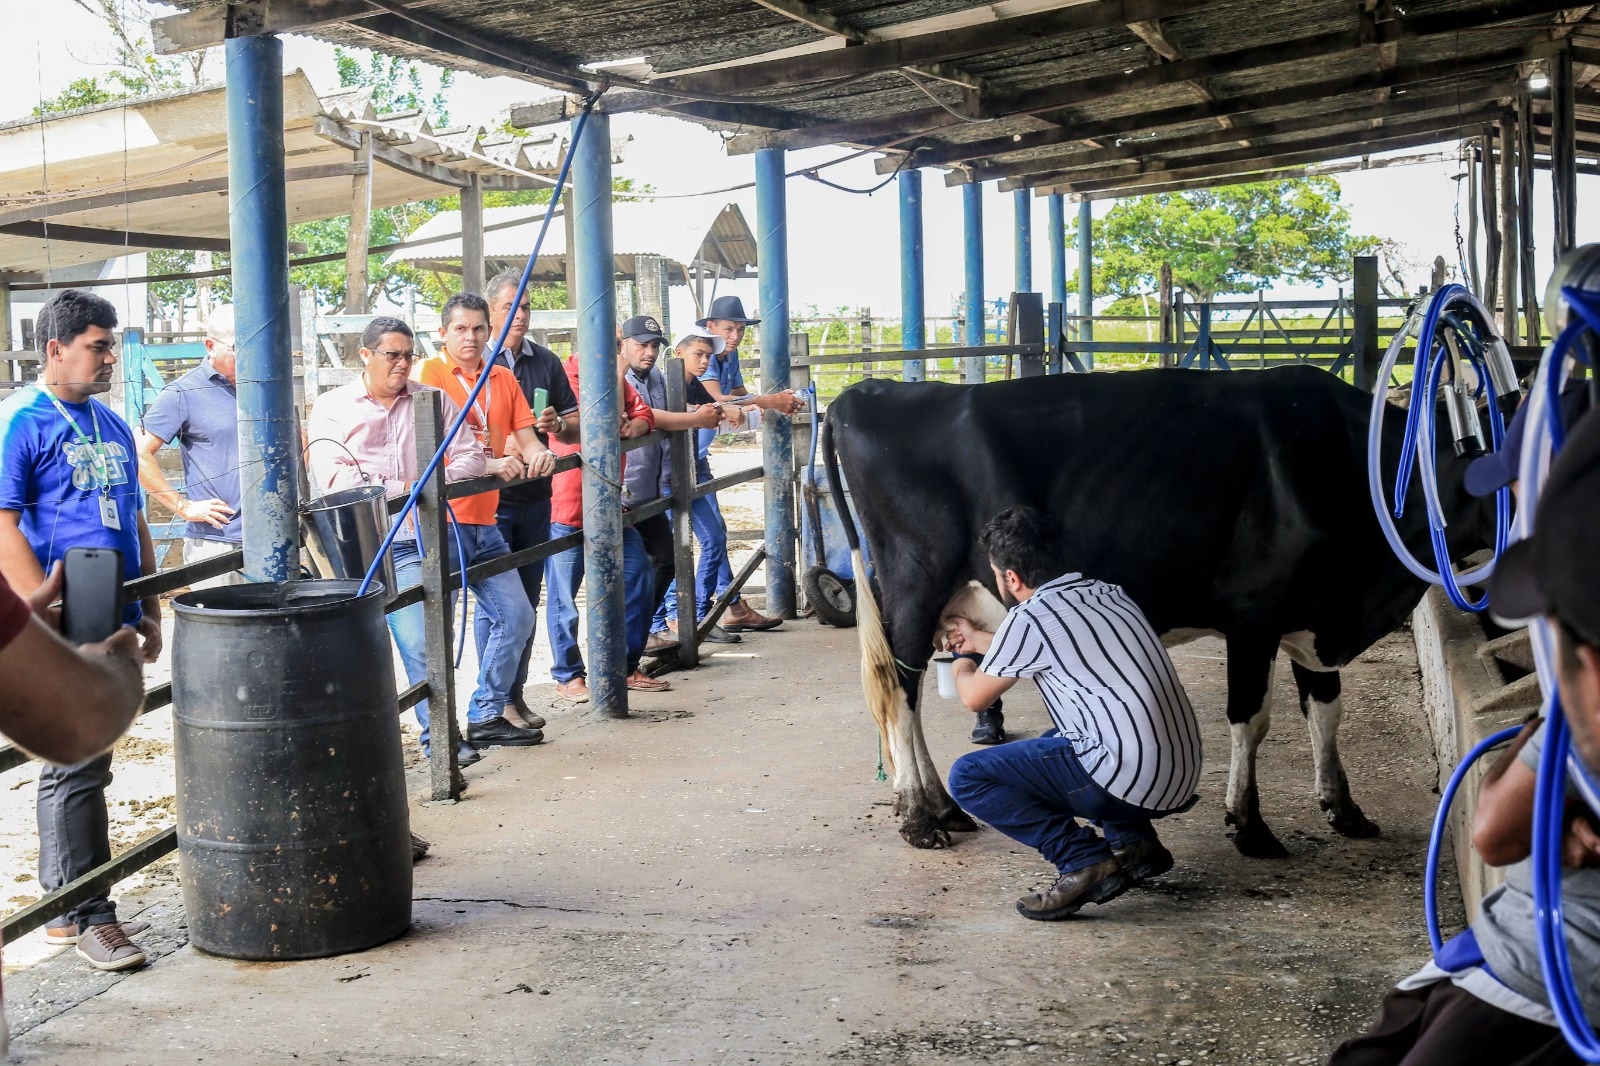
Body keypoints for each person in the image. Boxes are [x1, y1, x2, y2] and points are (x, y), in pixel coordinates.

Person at [1326, 411, 1600, 1066]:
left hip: (1550, 974)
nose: (1506, 504)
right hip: (1514, 947)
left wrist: (1543, 759)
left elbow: (1493, 831)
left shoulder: (1583, 700)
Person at [0, 289, 164, 971]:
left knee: (88, 760)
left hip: (114, 610)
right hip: (59, 616)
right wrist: (39, 605)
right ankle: (86, 912)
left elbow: (135, 517)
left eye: (111, 345)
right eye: (98, 344)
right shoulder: (22, 421)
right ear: (55, 348)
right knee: (75, 761)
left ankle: (69, 907)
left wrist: (155, 603)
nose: (109, 357)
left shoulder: (112, 424)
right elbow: (1, 521)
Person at [943, 505, 1202, 921]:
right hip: (1178, 772)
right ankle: (1136, 845)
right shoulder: (1109, 593)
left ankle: (1083, 861)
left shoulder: (1030, 618)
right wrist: (978, 640)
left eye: (996, 572)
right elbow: (1033, 644)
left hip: (1129, 780)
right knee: (1054, 740)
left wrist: (957, 660)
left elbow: (975, 697)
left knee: (968, 777)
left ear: (1011, 578)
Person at [306, 316, 488, 766]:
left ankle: (441, 738)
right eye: (393, 355)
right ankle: (413, 743)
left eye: (409, 355)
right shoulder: (333, 406)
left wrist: (403, 484)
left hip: (422, 536)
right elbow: (336, 479)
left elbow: (472, 459)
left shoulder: (432, 400)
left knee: (428, 636)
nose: (403, 364)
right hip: (359, 545)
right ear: (365, 355)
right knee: (382, 645)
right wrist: (415, 484)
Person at [414, 293, 557, 747]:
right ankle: (439, 740)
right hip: (439, 523)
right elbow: (423, 453)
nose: (472, 337)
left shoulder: (502, 377)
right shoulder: (427, 376)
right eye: (461, 329)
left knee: (516, 615)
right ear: (443, 332)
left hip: (484, 519)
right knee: (432, 634)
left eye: (478, 328)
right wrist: (488, 463)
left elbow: (526, 438)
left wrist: (541, 455)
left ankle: (486, 714)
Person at [544, 336, 669, 700]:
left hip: (611, 504)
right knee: (564, 597)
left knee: (639, 575)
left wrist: (638, 426)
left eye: (617, 344)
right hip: (568, 504)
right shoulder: (565, 378)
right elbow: (602, 422)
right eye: (612, 342)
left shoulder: (619, 380)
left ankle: (624, 665)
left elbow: (640, 413)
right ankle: (568, 675)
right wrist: (617, 390)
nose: (616, 351)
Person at [485, 272, 581, 729]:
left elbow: (574, 421)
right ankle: (494, 701)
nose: (519, 315)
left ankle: (513, 694)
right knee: (499, 602)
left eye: (525, 308)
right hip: (490, 499)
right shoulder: (477, 364)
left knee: (526, 598)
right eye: (509, 307)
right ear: (490, 312)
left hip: (536, 494)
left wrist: (556, 427)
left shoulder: (544, 360)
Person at [616, 317, 739, 648]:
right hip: (625, 490)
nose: (650, 351)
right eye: (642, 344)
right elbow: (648, 416)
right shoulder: (621, 379)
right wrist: (694, 419)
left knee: (665, 560)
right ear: (622, 343)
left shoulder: (660, 376)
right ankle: (634, 641)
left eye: (655, 345)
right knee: (635, 571)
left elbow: (650, 415)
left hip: (655, 488)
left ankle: (648, 634)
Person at [692, 295, 804, 633]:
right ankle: (694, 616)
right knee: (703, 538)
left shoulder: (730, 355)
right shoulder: (707, 356)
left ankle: (732, 606)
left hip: (698, 455)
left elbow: (739, 393)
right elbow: (716, 400)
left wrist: (770, 402)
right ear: (710, 327)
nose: (735, 336)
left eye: (740, 330)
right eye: (729, 329)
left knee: (714, 536)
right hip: (680, 456)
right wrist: (767, 401)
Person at [646, 327, 752, 646]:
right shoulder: (663, 384)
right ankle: (661, 622)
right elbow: (662, 416)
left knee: (713, 538)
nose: (705, 361)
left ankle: (695, 615)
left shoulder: (696, 388)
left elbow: (715, 408)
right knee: (669, 551)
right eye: (698, 354)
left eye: (708, 356)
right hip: (664, 477)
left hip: (690, 471)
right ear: (678, 354)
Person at [136, 305, 243, 589]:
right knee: (221, 631)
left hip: (275, 536)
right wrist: (183, 507)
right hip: (217, 544)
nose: (250, 354)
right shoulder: (183, 392)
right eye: (238, 346)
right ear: (211, 346)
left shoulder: (266, 385)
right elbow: (138, 452)